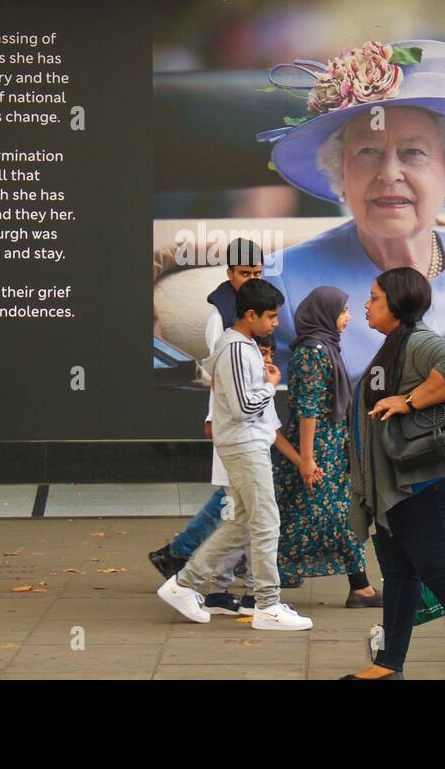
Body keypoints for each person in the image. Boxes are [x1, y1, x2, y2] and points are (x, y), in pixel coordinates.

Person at [257, 39, 445, 381]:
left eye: (414, 152)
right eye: (368, 151)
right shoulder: (283, 287)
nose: (388, 173)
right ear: (340, 172)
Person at [344, 266, 445, 680]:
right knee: (400, 572)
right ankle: (388, 665)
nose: (367, 304)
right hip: (401, 485)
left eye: (375, 298)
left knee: (443, 568)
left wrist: (409, 400)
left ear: (397, 303)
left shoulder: (419, 341)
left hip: (431, 480)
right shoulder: (395, 347)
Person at [157, 279, 314, 631]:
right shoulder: (237, 349)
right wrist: (271, 386)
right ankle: (268, 604)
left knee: (243, 522)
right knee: (265, 522)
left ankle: (184, 584)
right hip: (246, 444)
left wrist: (264, 383)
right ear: (250, 314)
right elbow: (245, 407)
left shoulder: (238, 347)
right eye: (271, 317)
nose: (275, 323)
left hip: (244, 444)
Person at [149, 238, 265, 581]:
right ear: (229, 273)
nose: (252, 279)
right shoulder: (221, 315)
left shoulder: (256, 304)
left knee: (239, 492)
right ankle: (188, 557)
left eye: (258, 272)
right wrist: (214, 418)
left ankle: (190, 556)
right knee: (237, 493)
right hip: (234, 416)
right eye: (245, 273)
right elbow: (221, 374)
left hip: (250, 413)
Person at [272, 285, 380, 606]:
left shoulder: (325, 347)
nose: (347, 317)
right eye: (342, 311)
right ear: (325, 314)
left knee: (308, 514)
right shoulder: (312, 352)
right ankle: (359, 586)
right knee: (330, 515)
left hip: (329, 446)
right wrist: (307, 458)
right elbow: (308, 409)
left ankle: (268, 576)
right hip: (317, 447)